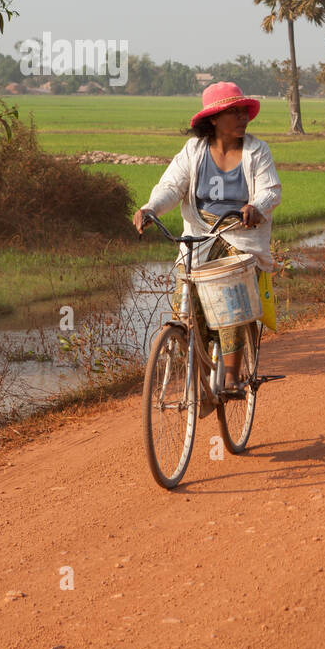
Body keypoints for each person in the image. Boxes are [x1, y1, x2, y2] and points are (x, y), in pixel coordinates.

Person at [133, 82, 281, 406]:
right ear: (213, 119)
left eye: (244, 111)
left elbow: (271, 190)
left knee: (230, 296)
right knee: (187, 310)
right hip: (199, 237)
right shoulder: (194, 151)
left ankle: (230, 376)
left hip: (240, 236)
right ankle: (198, 380)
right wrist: (151, 208)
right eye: (233, 112)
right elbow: (171, 186)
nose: (242, 117)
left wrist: (256, 207)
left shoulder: (257, 151)